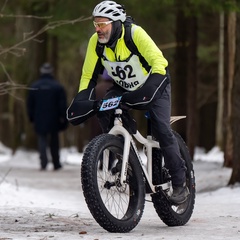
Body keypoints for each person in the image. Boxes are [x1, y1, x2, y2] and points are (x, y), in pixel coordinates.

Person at [67, 1, 189, 204]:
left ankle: (180, 184)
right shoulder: (95, 42)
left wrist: (149, 91)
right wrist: (82, 100)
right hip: (124, 87)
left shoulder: (134, 34)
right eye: (95, 24)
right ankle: (125, 156)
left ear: (116, 23)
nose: (98, 29)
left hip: (154, 83)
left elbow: (159, 63)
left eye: (103, 24)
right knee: (104, 109)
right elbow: (88, 75)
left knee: (161, 129)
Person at [27, 63, 68, 171]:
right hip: (54, 118)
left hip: (39, 118)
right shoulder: (58, 86)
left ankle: (43, 163)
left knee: (42, 139)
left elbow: (30, 104)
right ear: (51, 72)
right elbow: (62, 104)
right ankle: (56, 163)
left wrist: (31, 117)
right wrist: (64, 118)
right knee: (54, 140)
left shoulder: (34, 86)